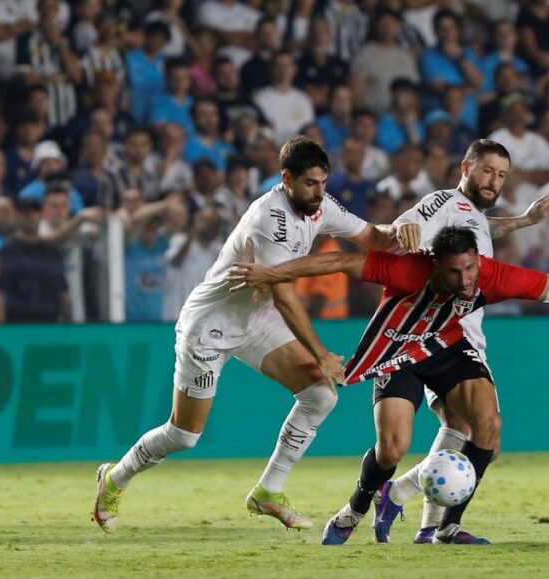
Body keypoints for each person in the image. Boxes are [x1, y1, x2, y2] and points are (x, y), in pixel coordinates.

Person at [92, 136, 420, 534]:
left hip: (255, 319)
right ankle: (115, 478)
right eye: (310, 184)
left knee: (320, 395)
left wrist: (403, 228)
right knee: (184, 434)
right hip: (211, 325)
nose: (319, 192)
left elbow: (374, 237)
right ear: (287, 179)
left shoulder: (320, 206)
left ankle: (268, 491)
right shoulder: (271, 219)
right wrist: (320, 354)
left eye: (323, 182)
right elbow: (284, 297)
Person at [228, 225, 549, 545]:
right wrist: (272, 273)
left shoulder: (491, 276)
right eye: (455, 271)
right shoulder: (407, 269)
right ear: (436, 265)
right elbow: (338, 260)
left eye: (470, 268)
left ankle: (448, 528)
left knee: (488, 428)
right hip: (396, 351)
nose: (466, 279)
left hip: (446, 348)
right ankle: (356, 508)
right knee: (392, 449)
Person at [365, 139, 549, 542]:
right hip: (449, 336)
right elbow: (401, 229)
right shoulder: (441, 202)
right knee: (485, 438)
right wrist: (397, 231)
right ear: (466, 168)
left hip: (458, 333)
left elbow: (482, 229)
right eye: (487, 171)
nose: (494, 181)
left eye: (502, 175)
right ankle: (406, 500)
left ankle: (427, 525)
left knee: (460, 428)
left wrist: (523, 221)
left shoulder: (470, 215)